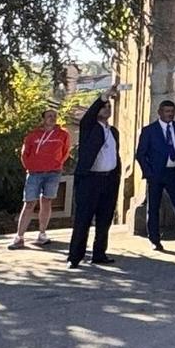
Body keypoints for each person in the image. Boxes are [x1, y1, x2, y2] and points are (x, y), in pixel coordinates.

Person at [67, 97, 119, 269]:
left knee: (104, 220)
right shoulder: (90, 128)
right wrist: (102, 98)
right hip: (90, 180)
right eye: (103, 107)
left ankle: (99, 253)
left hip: (109, 179)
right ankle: (75, 257)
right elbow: (88, 116)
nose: (107, 109)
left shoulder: (114, 132)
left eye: (109, 106)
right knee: (83, 219)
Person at [136, 100, 175, 252]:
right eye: (167, 111)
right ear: (160, 112)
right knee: (154, 207)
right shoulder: (149, 131)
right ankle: (154, 239)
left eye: (172, 111)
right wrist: (149, 172)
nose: (170, 114)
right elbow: (140, 154)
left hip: (174, 172)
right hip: (156, 174)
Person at [12, 108, 70, 250]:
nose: (52, 118)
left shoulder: (62, 134)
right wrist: (30, 166)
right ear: (43, 119)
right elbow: (25, 153)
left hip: (53, 173)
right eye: (49, 116)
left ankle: (42, 233)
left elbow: (66, 151)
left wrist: (58, 164)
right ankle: (19, 237)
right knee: (29, 203)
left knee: (47, 201)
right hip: (34, 173)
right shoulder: (33, 135)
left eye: (54, 116)